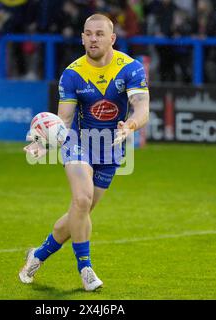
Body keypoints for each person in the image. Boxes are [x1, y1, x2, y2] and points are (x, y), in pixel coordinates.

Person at [19, 14, 150, 291]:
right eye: (88, 33)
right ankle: (86, 268)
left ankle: (38, 254)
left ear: (112, 38)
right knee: (81, 199)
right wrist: (43, 144)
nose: (93, 38)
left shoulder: (131, 68)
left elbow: (142, 108)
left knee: (79, 213)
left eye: (99, 34)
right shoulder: (72, 74)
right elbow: (63, 121)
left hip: (112, 148)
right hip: (78, 143)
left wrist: (131, 125)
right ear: (81, 37)